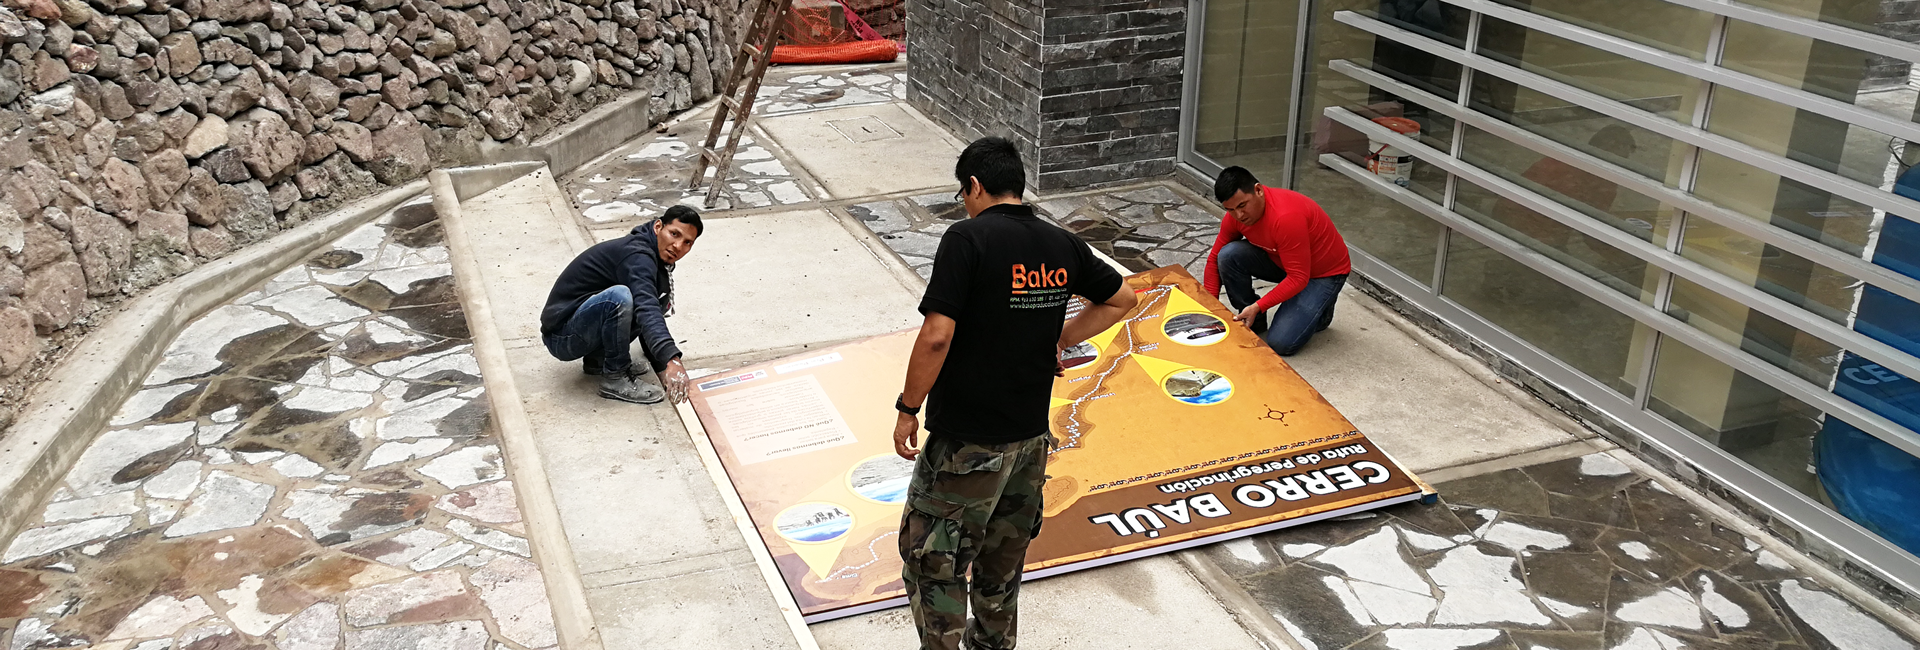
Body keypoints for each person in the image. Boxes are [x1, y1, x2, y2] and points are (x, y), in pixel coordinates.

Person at [892, 137, 1137, 650]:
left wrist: (908, 408)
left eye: (963, 194)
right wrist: (1060, 339)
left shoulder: (967, 239)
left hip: (966, 444)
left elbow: (936, 336)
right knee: (1001, 565)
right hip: (1029, 443)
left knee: (933, 563)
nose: (965, 204)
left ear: (974, 186)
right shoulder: (1061, 243)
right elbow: (1123, 298)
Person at [539, 206, 701, 404]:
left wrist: (661, 365)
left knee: (651, 297)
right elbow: (647, 309)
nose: (677, 246)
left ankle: (598, 362)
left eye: (687, 242)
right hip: (562, 337)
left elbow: (649, 309)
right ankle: (615, 377)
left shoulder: (656, 256)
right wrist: (671, 359)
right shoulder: (637, 256)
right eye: (674, 234)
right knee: (620, 297)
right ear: (658, 227)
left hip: (580, 327)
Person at [1202, 166, 1351, 356]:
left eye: (1242, 206)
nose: (1239, 215)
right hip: (1284, 261)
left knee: (1281, 342)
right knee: (1227, 255)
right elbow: (1213, 260)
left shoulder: (1286, 217)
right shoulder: (1236, 217)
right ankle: (1254, 320)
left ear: (1258, 190)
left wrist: (1259, 305)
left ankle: (1322, 313)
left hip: (1324, 273)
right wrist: (1208, 308)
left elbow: (1299, 278)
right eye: (1230, 209)